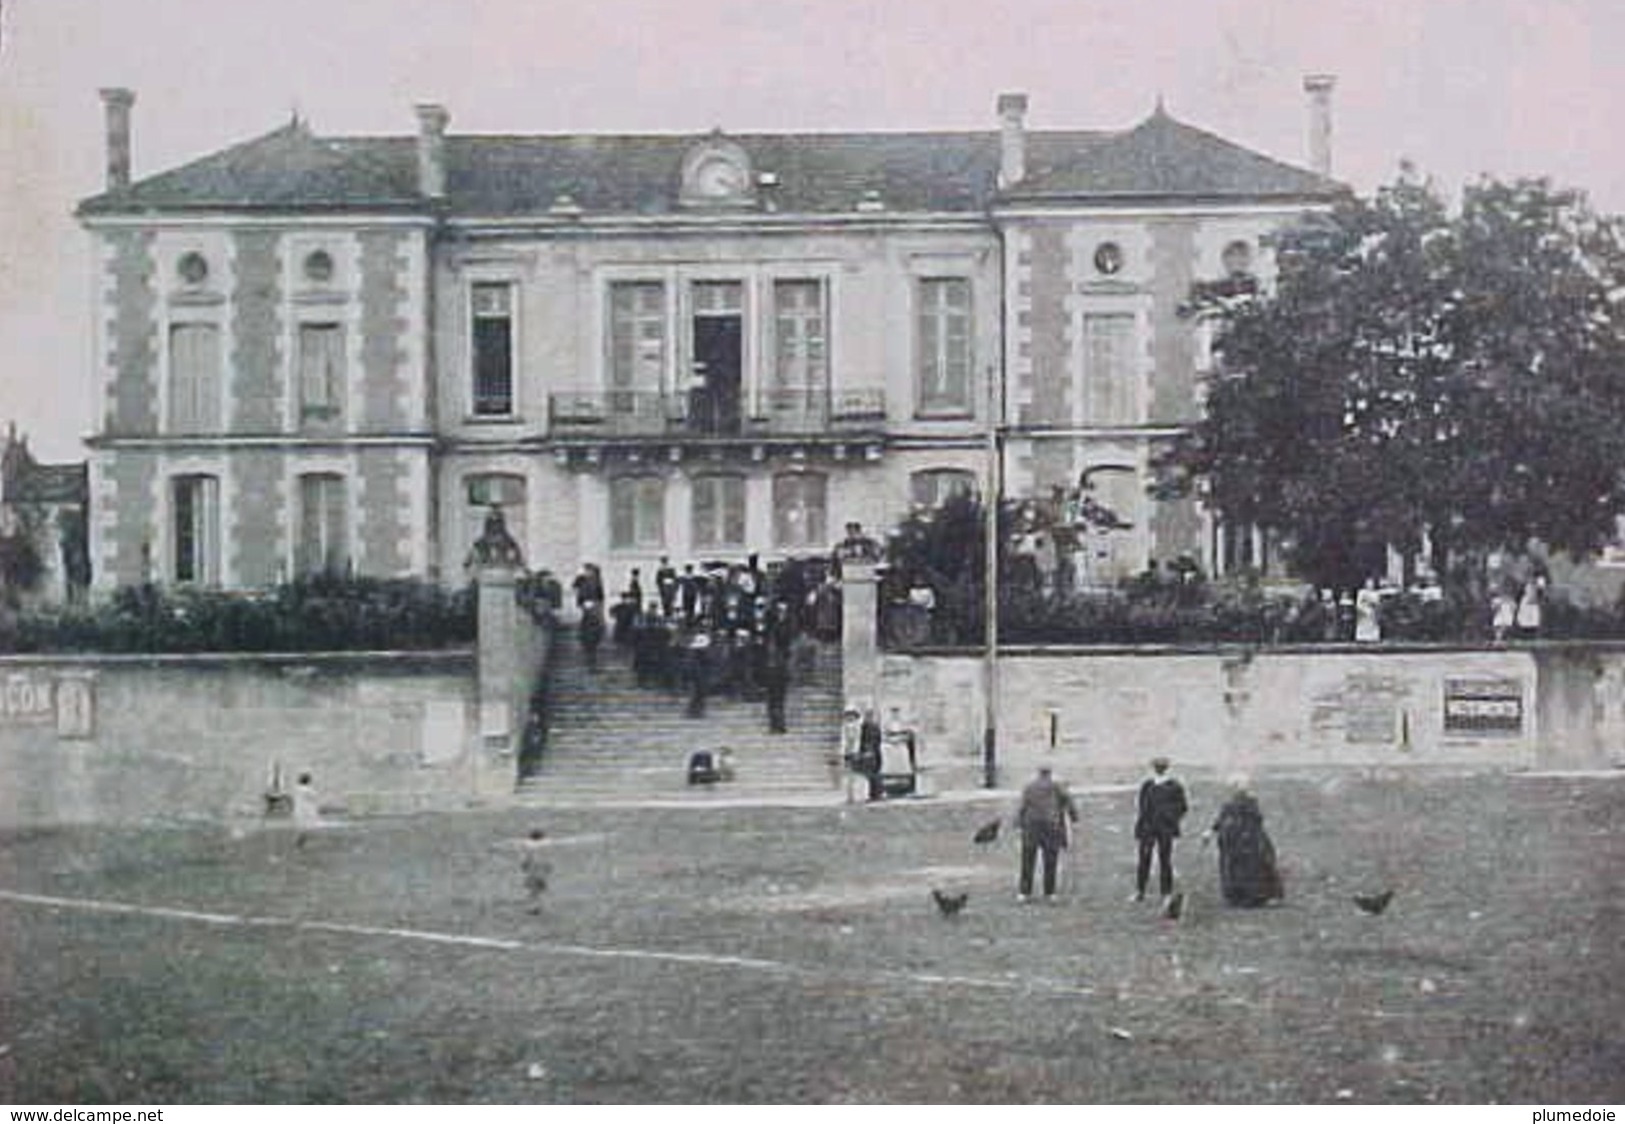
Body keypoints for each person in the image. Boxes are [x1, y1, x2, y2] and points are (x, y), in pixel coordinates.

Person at [1206, 785, 1283, 908]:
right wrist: (1212, 831)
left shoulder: (1247, 807)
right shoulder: (1233, 806)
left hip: (1246, 843)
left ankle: (1249, 896)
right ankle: (1241, 896)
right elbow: (1220, 820)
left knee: (1249, 868)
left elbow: (1255, 821)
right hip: (1238, 843)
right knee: (1239, 869)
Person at [1016, 764, 1078, 902]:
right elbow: (1068, 801)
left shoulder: (1029, 787)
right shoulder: (1057, 786)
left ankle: (1024, 892)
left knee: (1028, 859)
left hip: (1031, 826)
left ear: (1039, 773)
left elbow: (1022, 806)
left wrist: (1019, 823)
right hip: (1051, 825)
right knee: (1050, 860)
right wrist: (1074, 817)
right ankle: (1049, 892)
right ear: (1049, 773)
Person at [1133, 756, 1188, 903]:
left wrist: (1170, 818)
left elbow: (1182, 807)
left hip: (1165, 829)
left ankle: (1166, 892)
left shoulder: (1174, 786)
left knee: (1165, 860)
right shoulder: (1147, 785)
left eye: (1161, 767)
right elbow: (1142, 807)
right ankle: (1140, 891)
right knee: (1144, 859)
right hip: (1148, 828)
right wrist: (1141, 826)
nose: (1159, 769)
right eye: (1157, 767)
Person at [519, 828, 552, 915]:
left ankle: (534, 907)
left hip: (532, 870)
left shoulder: (528, 846)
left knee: (532, 890)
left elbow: (525, 860)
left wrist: (524, 866)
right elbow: (548, 861)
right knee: (538, 889)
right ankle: (537, 906)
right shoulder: (546, 846)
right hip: (541, 870)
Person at [857, 708, 884, 802]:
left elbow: (876, 740)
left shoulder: (872, 727)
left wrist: (869, 750)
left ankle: (876, 794)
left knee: (873, 774)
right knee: (871, 775)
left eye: (869, 716)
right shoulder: (865, 727)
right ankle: (874, 794)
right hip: (871, 753)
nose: (868, 718)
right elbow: (862, 740)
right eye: (867, 716)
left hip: (873, 753)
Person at [762, 647, 790, 734]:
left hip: (776, 689)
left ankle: (777, 727)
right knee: (776, 708)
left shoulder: (776, 665)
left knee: (775, 708)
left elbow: (786, 678)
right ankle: (778, 727)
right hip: (776, 689)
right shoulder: (781, 665)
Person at [291, 771, 321, 848]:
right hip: (306, 811)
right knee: (305, 828)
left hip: (299, 809)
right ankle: (299, 843)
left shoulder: (297, 788)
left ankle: (299, 842)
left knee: (302, 828)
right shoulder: (307, 790)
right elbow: (314, 796)